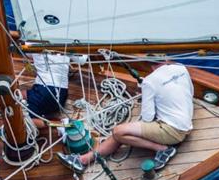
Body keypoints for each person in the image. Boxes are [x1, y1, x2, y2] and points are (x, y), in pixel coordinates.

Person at [57, 63, 194, 172]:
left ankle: (163, 149)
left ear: (145, 63)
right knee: (120, 133)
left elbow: (147, 117)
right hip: (185, 123)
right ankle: (83, 160)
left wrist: (147, 95)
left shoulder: (149, 81)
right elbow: (191, 92)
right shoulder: (180, 68)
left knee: (118, 132)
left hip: (172, 131)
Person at [26, 52, 70, 128]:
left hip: (44, 91)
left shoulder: (33, 44)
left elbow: (24, 52)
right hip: (62, 96)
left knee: (27, 120)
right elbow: (82, 59)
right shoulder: (67, 43)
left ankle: (58, 124)